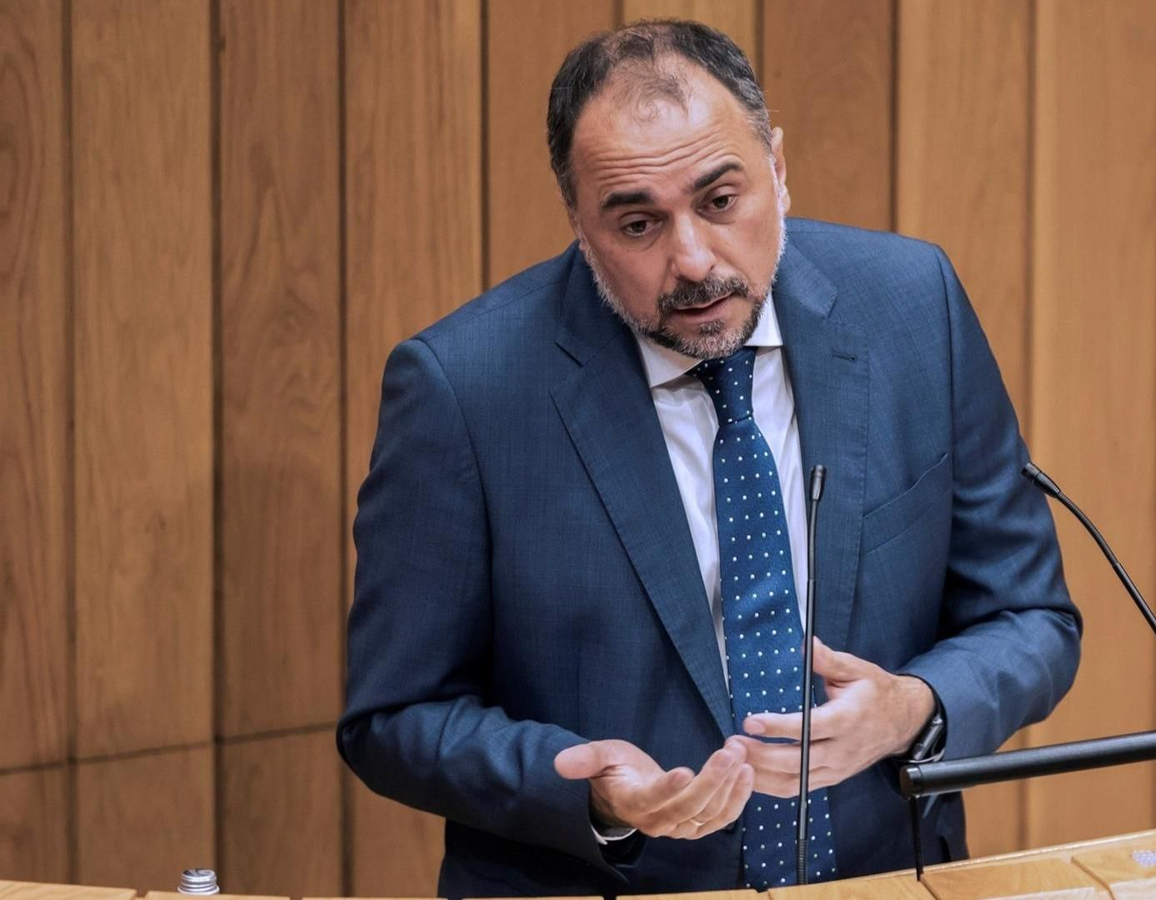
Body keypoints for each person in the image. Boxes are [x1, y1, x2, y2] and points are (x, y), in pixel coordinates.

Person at [337, 19, 1082, 899]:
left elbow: (1033, 618)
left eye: (720, 201)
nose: (691, 260)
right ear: (578, 220)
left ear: (776, 167)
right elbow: (393, 715)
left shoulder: (914, 310)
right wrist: (587, 789)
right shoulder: (467, 389)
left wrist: (911, 709)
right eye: (639, 223)